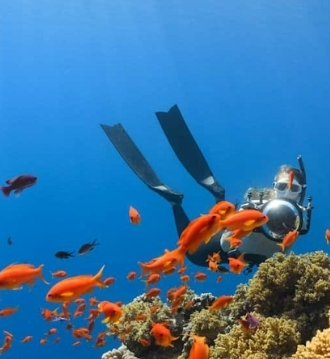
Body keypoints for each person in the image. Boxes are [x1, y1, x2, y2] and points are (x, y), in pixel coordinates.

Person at [100, 104, 313, 269]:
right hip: (223, 248)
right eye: (283, 186)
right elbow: (232, 231)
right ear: (275, 185)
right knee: (192, 254)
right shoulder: (259, 204)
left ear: (302, 192)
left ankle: (215, 197)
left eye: (294, 189)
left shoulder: (300, 217)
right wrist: (246, 218)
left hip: (255, 262)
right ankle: (178, 202)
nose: (288, 192)